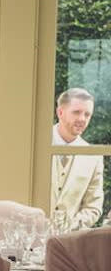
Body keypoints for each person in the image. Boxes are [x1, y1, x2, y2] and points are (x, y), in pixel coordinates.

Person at [51, 87, 104, 229]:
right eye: (76, 112)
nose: (82, 119)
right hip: (29, 239)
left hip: (67, 244)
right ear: (60, 112)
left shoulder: (93, 157)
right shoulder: (36, 144)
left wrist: (70, 226)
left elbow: (93, 206)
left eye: (87, 114)